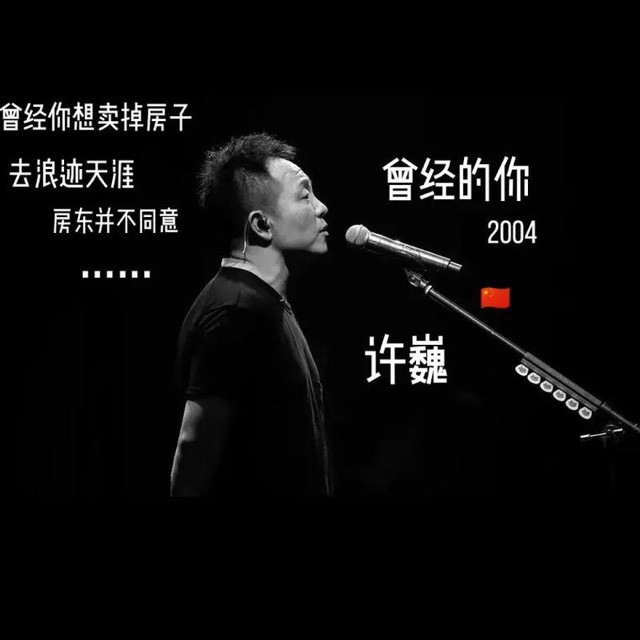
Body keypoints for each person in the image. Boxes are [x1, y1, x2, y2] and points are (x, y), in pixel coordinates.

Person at [170, 133, 333, 497]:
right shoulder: (235, 309)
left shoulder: (264, 302)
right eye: (305, 196)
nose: (322, 207)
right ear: (261, 225)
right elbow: (194, 448)